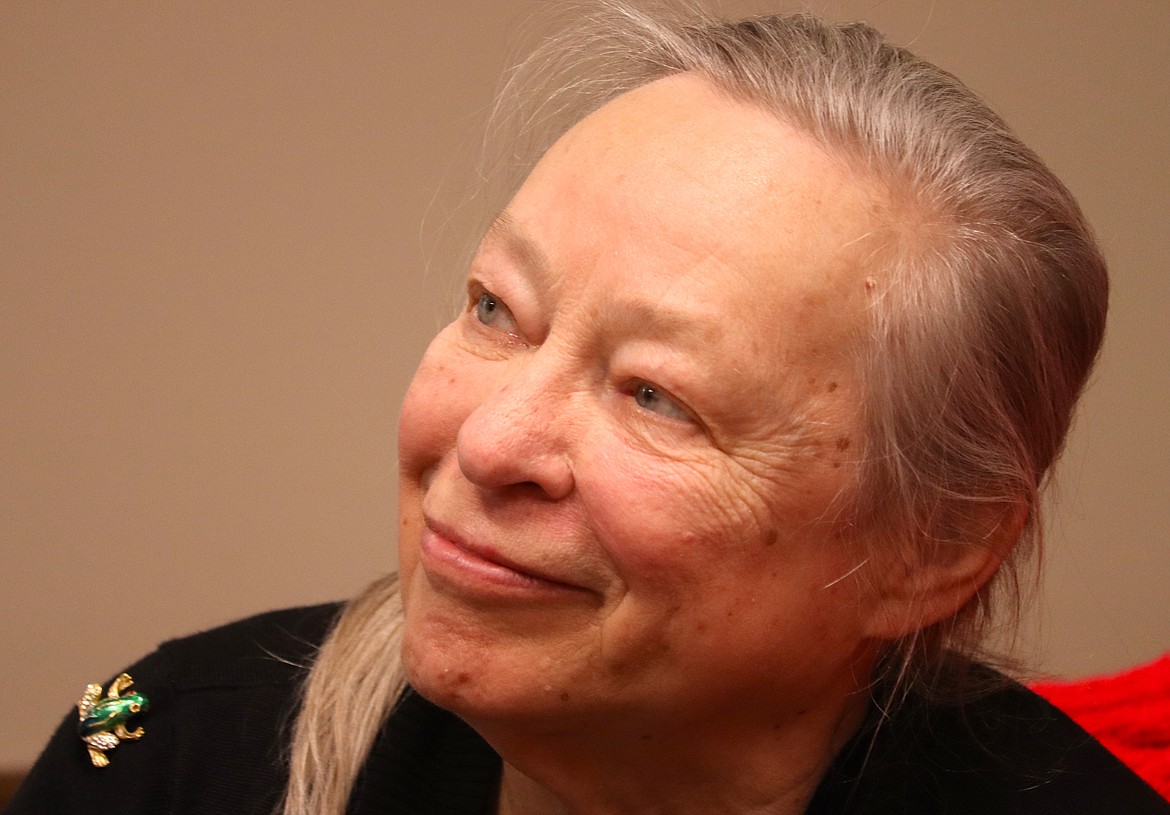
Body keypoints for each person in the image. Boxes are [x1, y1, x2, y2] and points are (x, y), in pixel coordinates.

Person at [8, 5, 1169, 815]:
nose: (485, 440)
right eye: (494, 310)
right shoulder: (156, 747)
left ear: (935, 545)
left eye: (657, 395)